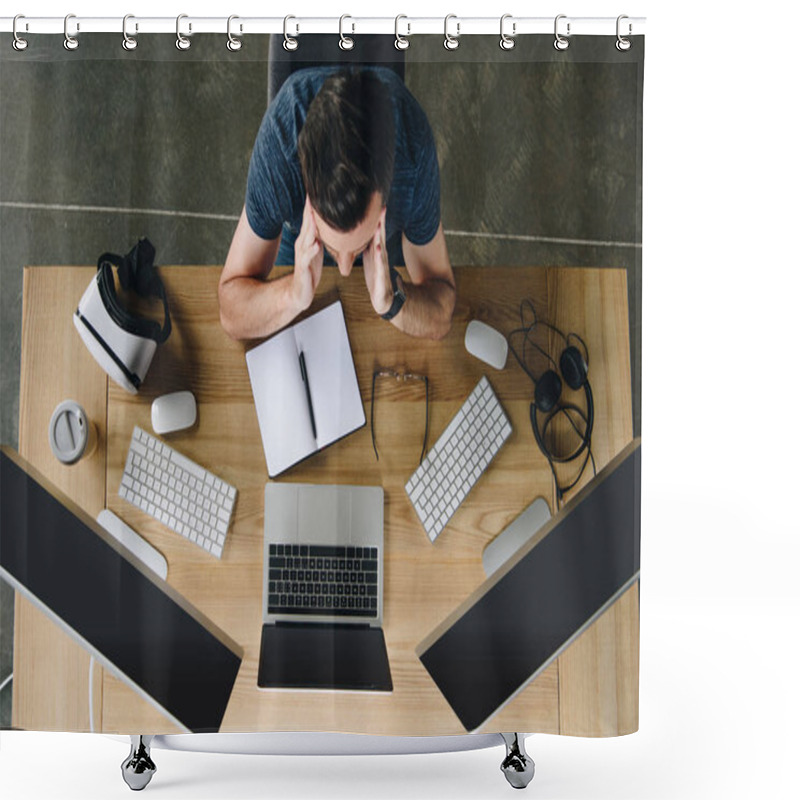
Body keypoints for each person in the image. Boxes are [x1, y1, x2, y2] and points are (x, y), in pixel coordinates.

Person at [219, 66, 455, 341]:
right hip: (301, 246)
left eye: (357, 246)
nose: (344, 270)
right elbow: (230, 311)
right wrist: (293, 294)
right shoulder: (281, 144)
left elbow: (442, 310)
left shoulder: (413, 152)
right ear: (308, 198)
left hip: (381, 252)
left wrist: (392, 302)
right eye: (332, 246)